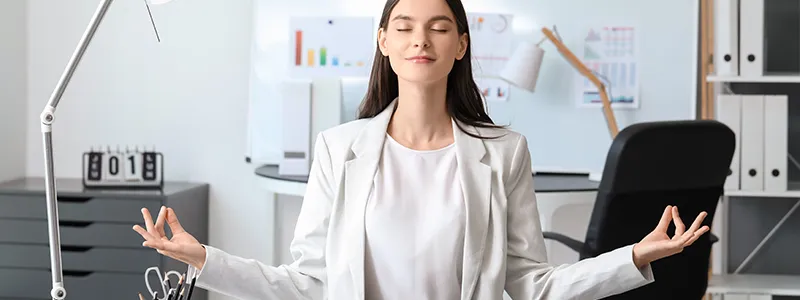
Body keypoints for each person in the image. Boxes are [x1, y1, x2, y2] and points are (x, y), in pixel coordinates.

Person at [132, 0, 711, 298]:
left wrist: (633, 258)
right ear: (384, 41)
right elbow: (307, 284)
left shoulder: (504, 152)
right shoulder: (340, 148)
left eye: (438, 26)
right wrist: (201, 257)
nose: (420, 39)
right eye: (404, 25)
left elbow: (531, 285)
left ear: (461, 43)